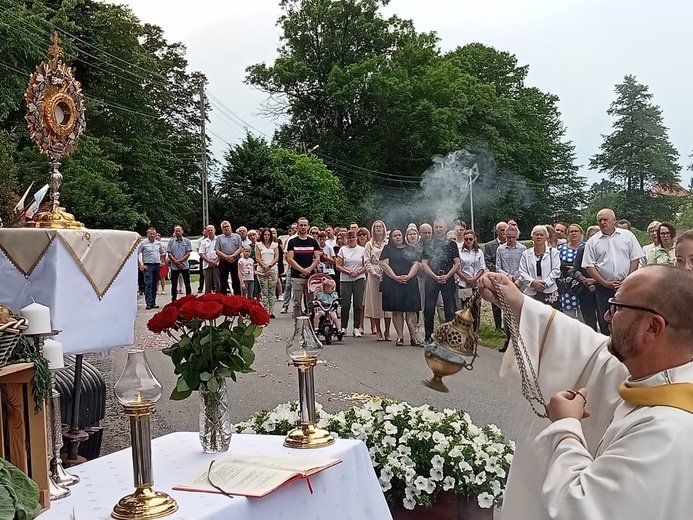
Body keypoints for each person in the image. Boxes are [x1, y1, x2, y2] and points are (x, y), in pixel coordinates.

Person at [479, 267, 693, 520]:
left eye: (618, 307)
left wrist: (567, 427)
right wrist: (519, 303)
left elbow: (579, 510)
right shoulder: (661, 377)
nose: (606, 314)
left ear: (652, 328)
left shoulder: (666, 433)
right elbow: (591, 349)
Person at [582, 208, 644, 334]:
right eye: (600, 220)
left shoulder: (628, 236)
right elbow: (589, 266)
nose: (602, 222)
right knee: (606, 321)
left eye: (605, 219)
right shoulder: (592, 241)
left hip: (627, 286)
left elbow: (635, 258)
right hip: (604, 288)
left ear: (614, 221)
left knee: (628, 318)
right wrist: (604, 283)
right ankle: (607, 348)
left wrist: (627, 279)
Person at [421, 218, 460, 344]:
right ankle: (428, 337)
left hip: (447, 279)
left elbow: (457, 264)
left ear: (446, 228)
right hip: (432, 279)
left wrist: (447, 276)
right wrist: (435, 276)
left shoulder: (452, 244)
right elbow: (424, 263)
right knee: (429, 309)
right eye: (436, 227)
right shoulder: (428, 244)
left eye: (440, 227)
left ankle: (449, 336)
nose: (438, 229)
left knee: (450, 309)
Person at [380, 228, 421, 346]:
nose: (397, 237)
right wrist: (395, 277)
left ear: (403, 236)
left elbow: (416, 263)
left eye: (399, 235)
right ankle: (400, 337)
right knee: (397, 310)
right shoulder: (387, 249)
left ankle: (414, 337)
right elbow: (383, 264)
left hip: (410, 282)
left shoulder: (411, 248)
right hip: (393, 282)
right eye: (395, 236)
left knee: (411, 310)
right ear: (391, 238)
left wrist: (408, 276)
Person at [495, 220, 526, 351]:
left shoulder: (523, 249)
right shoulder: (500, 249)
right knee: (507, 313)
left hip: (519, 284)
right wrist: (507, 276)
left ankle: (521, 341)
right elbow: (498, 267)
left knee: (520, 312)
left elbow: (524, 267)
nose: (511, 240)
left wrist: (517, 280)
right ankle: (508, 340)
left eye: (513, 237)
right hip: (506, 283)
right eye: (509, 237)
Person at [286, 217, 321, 320]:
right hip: (297, 276)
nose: (303, 227)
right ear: (297, 227)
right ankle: (298, 326)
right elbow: (290, 259)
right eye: (301, 225)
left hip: (310, 277)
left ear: (308, 226)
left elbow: (317, 258)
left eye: (305, 225)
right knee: (297, 303)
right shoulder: (292, 242)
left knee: (311, 303)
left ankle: (311, 326)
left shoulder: (313, 241)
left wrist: (309, 270)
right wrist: (302, 270)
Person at [518, 225, 561, 310]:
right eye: (536, 234)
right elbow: (522, 271)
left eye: (541, 235)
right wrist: (533, 282)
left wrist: (544, 283)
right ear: (532, 237)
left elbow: (556, 270)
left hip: (550, 292)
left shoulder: (554, 253)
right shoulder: (526, 254)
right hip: (531, 291)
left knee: (550, 319)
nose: (539, 237)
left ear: (546, 237)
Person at [364, 220, 392, 341]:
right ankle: (378, 330)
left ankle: (387, 330)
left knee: (387, 302)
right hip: (374, 273)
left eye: (380, 227)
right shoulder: (369, 244)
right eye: (376, 227)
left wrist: (389, 272)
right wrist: (374, 273)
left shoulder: (388, 243)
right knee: (375, 302)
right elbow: (366, 261)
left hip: (387, 272)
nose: (378, 229)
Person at [336, 229, 367, 337]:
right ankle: (343, 327)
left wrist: (357, 272)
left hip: (359, 278)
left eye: (353, 237)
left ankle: (356, 327)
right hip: (345, 279)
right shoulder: (343, 250)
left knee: (358, 303)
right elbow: (338, 265)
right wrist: (348, 272)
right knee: (345, 304)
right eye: (349, 238)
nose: (351, 239)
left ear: (356, 238)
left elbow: (365, 265)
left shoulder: (362, 250)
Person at [455, 229, 485, 331]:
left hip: (476, 284)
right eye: (466, 239)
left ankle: (476, 331)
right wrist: (467, 279)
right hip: (464, 284)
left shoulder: (479, 252)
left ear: (474, 239)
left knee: (476, 308)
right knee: (464, 308)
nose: (468, 241)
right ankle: (464, 330)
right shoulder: (459, 251)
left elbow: (482, 268)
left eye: (470, 239)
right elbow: (457, 268)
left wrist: (475, 279)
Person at [572, 226, 600, 331]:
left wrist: (595, 281)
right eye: (591, 236)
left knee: (603, 319)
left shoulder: (605, 250)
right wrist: (585, 281)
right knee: (589, 320)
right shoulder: (582, 250)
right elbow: (575, 270)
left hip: (601, 287)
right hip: (584, 289)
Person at [557, 223, 586, 321]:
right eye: (571, 231)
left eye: (576, 231)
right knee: (568, 318)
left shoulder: (588, 247)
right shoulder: (561, 248)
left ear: (581, 233)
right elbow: (556, 265)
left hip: (583, 285)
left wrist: (576, 269)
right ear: (567, 234)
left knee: (585, 316)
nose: (573, 233)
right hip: (567, 286)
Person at [484, 221, 508, 330]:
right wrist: (497, 273)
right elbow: (487, 261)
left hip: (509, 279)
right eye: (501, 230)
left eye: (505, 229)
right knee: (495, 301)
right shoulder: (489, 246)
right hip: (495, 278)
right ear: (497, 231)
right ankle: (498, 327)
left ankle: (509, 325)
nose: (504, 232)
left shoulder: (511, 244)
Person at [137, 227, 166, 310]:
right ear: (147, 234)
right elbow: (136, 254)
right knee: (148, 284)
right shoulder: (143, 243)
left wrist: (162, 261)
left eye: (154, 234)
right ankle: (148, 302)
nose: (152, 235)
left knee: (154, 284)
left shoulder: (158, 243)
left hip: (157, 265)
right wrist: (140, 265)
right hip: (148, 266)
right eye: (151, 234)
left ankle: (153, 302)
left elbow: (163, 252)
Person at [215, 221, 243, 296]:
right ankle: (223, 299)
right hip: (224, 261)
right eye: (224, 227)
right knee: (223, 282)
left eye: (227, 226)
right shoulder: (219, 238)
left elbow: (240, 248)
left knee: (236, 281)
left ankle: (238, 299)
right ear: (222, 229)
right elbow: (217, 250)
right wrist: (227, 257)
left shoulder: (237, 236)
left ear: (230, 227)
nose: (226, 228)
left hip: (235, 261)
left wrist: (233, 256)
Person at [256, 228, 279, 317]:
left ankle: (271, 311)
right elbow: (258, 258)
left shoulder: (275, 245)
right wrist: (264, 266)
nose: (267, 236)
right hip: (262, 269)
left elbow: (276, 257)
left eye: (268, 235)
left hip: (272, 269)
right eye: (265, 234)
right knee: (264, 291)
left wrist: (269, 265)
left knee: (271, 291)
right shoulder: (259, 245)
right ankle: (265, 310)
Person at [167, 225, 193, 301]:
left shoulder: (187, 241)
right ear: (174, 232)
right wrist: (176, 262)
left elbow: (188, 253)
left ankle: (189, 299)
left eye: (179, 231)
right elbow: (169, 253)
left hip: (184, 266)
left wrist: (180, 261)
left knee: (187, 283)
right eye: (176, 231)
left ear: (182, 231)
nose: (178, 232)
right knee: (174, 284)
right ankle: (174, 299)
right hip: (174, 266)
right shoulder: (171, 241)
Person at [280, 224, 298, 313]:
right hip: (291, 267)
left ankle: (298, 307)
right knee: (288, 286)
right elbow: (286, 254)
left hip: (302, 267)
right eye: (293, 228)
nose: (294, 230)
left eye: (296, 228)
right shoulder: (290, 240)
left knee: (299, 289)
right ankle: (285, 305)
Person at [199, 224, 220, 294]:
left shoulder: (219, 240)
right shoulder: (203, 241)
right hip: (207, 265)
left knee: (218, 283)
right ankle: (207, 300)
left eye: (212, 230)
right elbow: (201, 253)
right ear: (206, 232)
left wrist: (215, 261)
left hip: (217, 264)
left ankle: (219, 298)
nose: (210, 231)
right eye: (208, 230)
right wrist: (209, 261)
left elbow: (221, 251)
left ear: (215, 230)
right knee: (207, 284)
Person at [197, 226, 208, 293]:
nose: (206, 232)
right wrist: (203, 256)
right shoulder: (200, 240)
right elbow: (198, 250)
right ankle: (200, 288)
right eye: (205, 231)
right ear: (202, 232)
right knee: (202, 273)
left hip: (210, 257)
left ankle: (213, 287)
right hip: (202, 258)